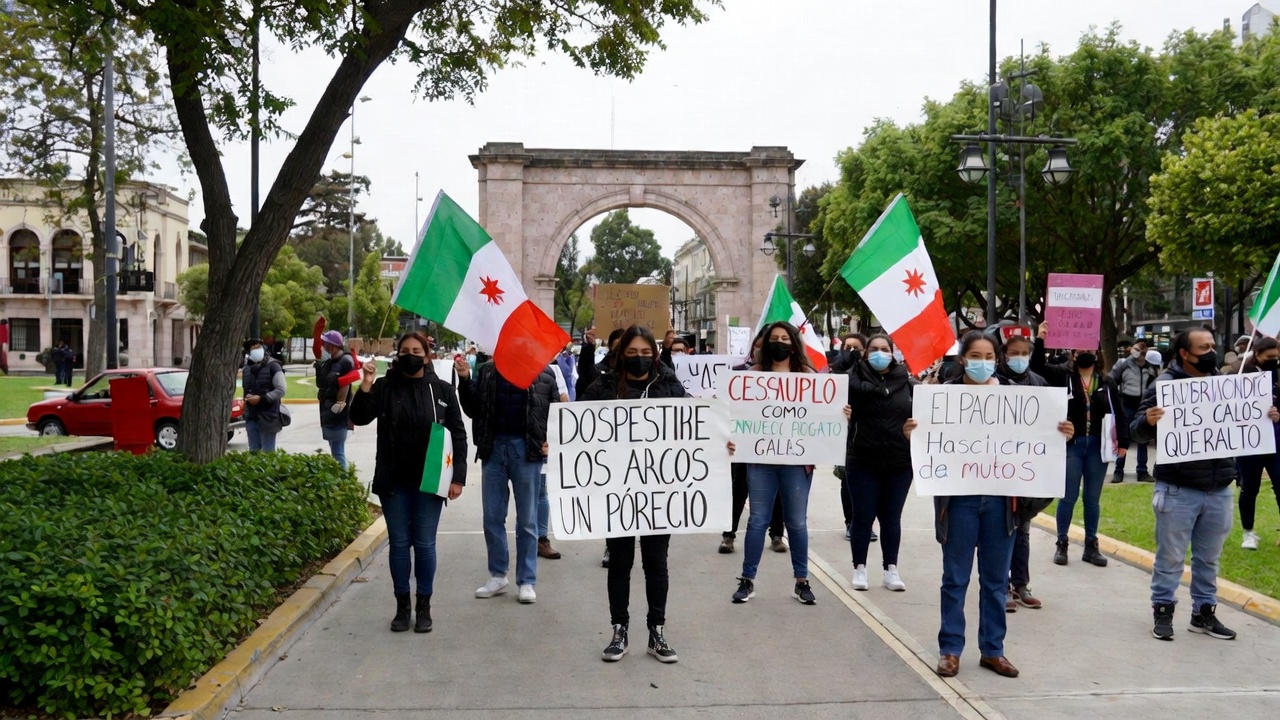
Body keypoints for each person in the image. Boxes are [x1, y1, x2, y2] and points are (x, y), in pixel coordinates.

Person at [907, 331, 1074, 679]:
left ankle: (993, 650)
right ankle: (950, 649)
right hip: (959, 502)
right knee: (955, 578)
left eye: (988, 356)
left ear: (996, 360)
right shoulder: (943, 397)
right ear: (962, 359)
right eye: (975, 356)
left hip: (1002, 503)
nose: (982, 363)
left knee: (996, 581)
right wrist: (913, 434)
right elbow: (927, 443)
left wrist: (1061, 433)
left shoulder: (1015, 396)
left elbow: (1037, 440)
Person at [1132, 329, 1275, 641]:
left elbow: (1244, 421)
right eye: (1203, 347)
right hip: (1177, 489)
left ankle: (1203, 612)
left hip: (1219, 488)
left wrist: (1266, 415)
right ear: (1185, 353)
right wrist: (1148, 421)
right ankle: (1163, 609)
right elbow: (1136, 432)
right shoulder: (1165, 385)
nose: (1211, 351)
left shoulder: (1226, 385)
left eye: (1212, 345)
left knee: (1209, 558)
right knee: (1171, 557)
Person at [581, 325, 689, 663]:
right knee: (620, 561)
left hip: (658, 490)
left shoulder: (669, 385)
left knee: (656, 562)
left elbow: (694, 425)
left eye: (645, 353)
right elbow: (578, 428)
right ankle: (619, 630)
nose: (639, 358)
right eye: (632, 353)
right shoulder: (603, 387)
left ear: (654, 355)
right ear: (620, 354)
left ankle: (657, 631)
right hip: (617, 490)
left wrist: (718, 441)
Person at [350, 331, 467, 633]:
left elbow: (458, 433)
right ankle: (402, 605)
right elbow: (359, 417)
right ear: (397, 355)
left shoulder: (441, 390)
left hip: (431, 480)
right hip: (394, 480)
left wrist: (458, 477)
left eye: (417, 351)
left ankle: (423, 605)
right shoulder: (385, 386)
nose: (411, 355)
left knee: (425, 544)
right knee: (400, 544)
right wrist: (366, 382)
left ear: (427, 356)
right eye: (405, 351)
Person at [732, 321, 849, 606]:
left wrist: (840, 413)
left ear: (794, 344)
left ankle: (802, 581)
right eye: (775, 338)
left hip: (798, 463)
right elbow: (736, 415)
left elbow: (824, 413)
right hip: (761, 460)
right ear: (766, 343)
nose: (780, 343)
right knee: (757, 520)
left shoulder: (809, 377)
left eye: (785, 338)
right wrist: (733, 438)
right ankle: (747, 579)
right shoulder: (752, 376)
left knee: (796, 522)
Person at [457, 353, 559, 604]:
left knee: (527, 520)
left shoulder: (544, 374)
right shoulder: (488, 371)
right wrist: (465, 379)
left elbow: (556, 413)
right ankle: (498, 575)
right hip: (493, 448)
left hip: (527, 450)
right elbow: (472, 409)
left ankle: (527, 580)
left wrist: (552, 441)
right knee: (492, 516)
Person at [1032, 324, 1127, 568]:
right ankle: (1062, 542)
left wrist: (1123, 443)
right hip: (1071, 445)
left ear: (1097, 352)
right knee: (1068, 496)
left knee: (1092, 499)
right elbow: (1037, 367)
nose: (1085, 352)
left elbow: (1119, 413)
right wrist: (1041, 340)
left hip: (1098, 446)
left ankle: (1091, 545)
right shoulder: (1062, 376)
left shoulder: (1107, 381)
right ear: (1073, 354)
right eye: (1080, 349)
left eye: (1090, 349)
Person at [846, 334, 913, 592]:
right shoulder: (851, 382)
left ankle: (890, 570)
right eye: (873, 349)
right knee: (863, 516)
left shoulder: (908, 384)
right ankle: (859, 568)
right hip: (862, 460)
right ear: (865, 353)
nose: (879, 353)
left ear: (893, 353)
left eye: (885, 349)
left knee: (891, 518)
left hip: (899, 461)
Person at [720, 327, 787, 555]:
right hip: (745, 444)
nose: (760, 350)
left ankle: (776, 534)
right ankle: (728, 535)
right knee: (738, 489)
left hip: (777, 442)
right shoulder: (739, 374)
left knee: (777, 492)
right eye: (757, 346)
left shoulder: (789, 377)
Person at [997, 332, 1049, 611]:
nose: (1019, 358)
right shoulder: (992, 382)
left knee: (1023, 528)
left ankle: (1021, 584)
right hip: (995, 466)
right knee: (1001, 528)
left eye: (1024, 353)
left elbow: (1048, 421)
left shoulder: (1039, 383)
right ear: (1004, 355)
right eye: (1014, 353)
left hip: (1026, 466)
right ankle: (1001, 585)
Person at [1236, 337, 1280, 550]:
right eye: (1269, 357)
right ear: (1257, 354)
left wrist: (1277, 413)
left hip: (1276, 441)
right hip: (1249, 442)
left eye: (1276, 357)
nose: (1274, 360)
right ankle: (1248, 532)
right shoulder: (1240, 374)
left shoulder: (1276, 374)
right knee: (1250, 487)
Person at [1109, 340, 1158, 483]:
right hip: (1127, 404)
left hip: (1143, 404)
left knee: (1142, 437)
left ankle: (1142, 471)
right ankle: (1118, 470)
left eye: (1141, 351)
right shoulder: (1124, 364)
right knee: (1124, 437)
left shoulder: (1150, 366)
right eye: (1136, 349)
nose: (1137, 353)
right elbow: (1112, 380)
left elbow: (1155, 382)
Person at [315, 330, 356, 469]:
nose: (323, 346)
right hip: (327, 413)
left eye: (325, 343)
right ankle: (342, 477)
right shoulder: (328, 363)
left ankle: (343, 478)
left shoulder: (345, 362)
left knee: (338, 453)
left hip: (338, 414)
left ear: (332, 345)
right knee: (335, 450)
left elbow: (345, 385)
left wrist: (338, 406)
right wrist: (318, 368)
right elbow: (321, 384)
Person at [242, 338, 286, 452]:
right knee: (254, 452)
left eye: (259, 347)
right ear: (249, 351)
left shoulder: (274, 366)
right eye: (253, 348)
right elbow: (245, 391)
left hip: (268, 417)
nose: (257, 350)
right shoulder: (246, 369)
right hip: (251, 416)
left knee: (268, 453)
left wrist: (261, 399)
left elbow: (281, 389)